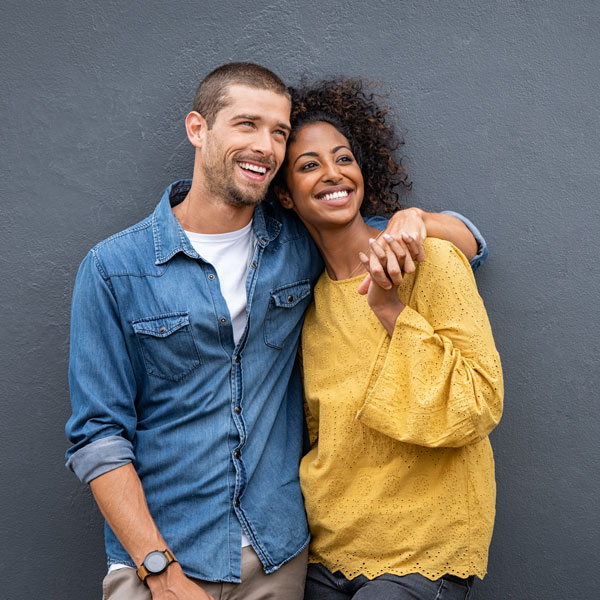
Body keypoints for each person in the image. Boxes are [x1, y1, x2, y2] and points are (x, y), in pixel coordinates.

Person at [65, 63, 485, 600]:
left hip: (275, 560)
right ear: (198, 129)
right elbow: (99, 439)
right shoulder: (113, 268)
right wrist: (159, 571)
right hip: (160, 562)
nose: (265, 146)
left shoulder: (301, 244)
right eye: (246, 125)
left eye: (279, 132)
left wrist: (416, 218)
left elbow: (468, 241)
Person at [274, 79, 503, 599]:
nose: (333, 173)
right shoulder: (305, 304)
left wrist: (388, 308)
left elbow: (479, 400)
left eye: (343, 159)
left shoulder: (430, 259)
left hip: (420, 550)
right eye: (308, 165)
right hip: (328, 549)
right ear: (285, 194)